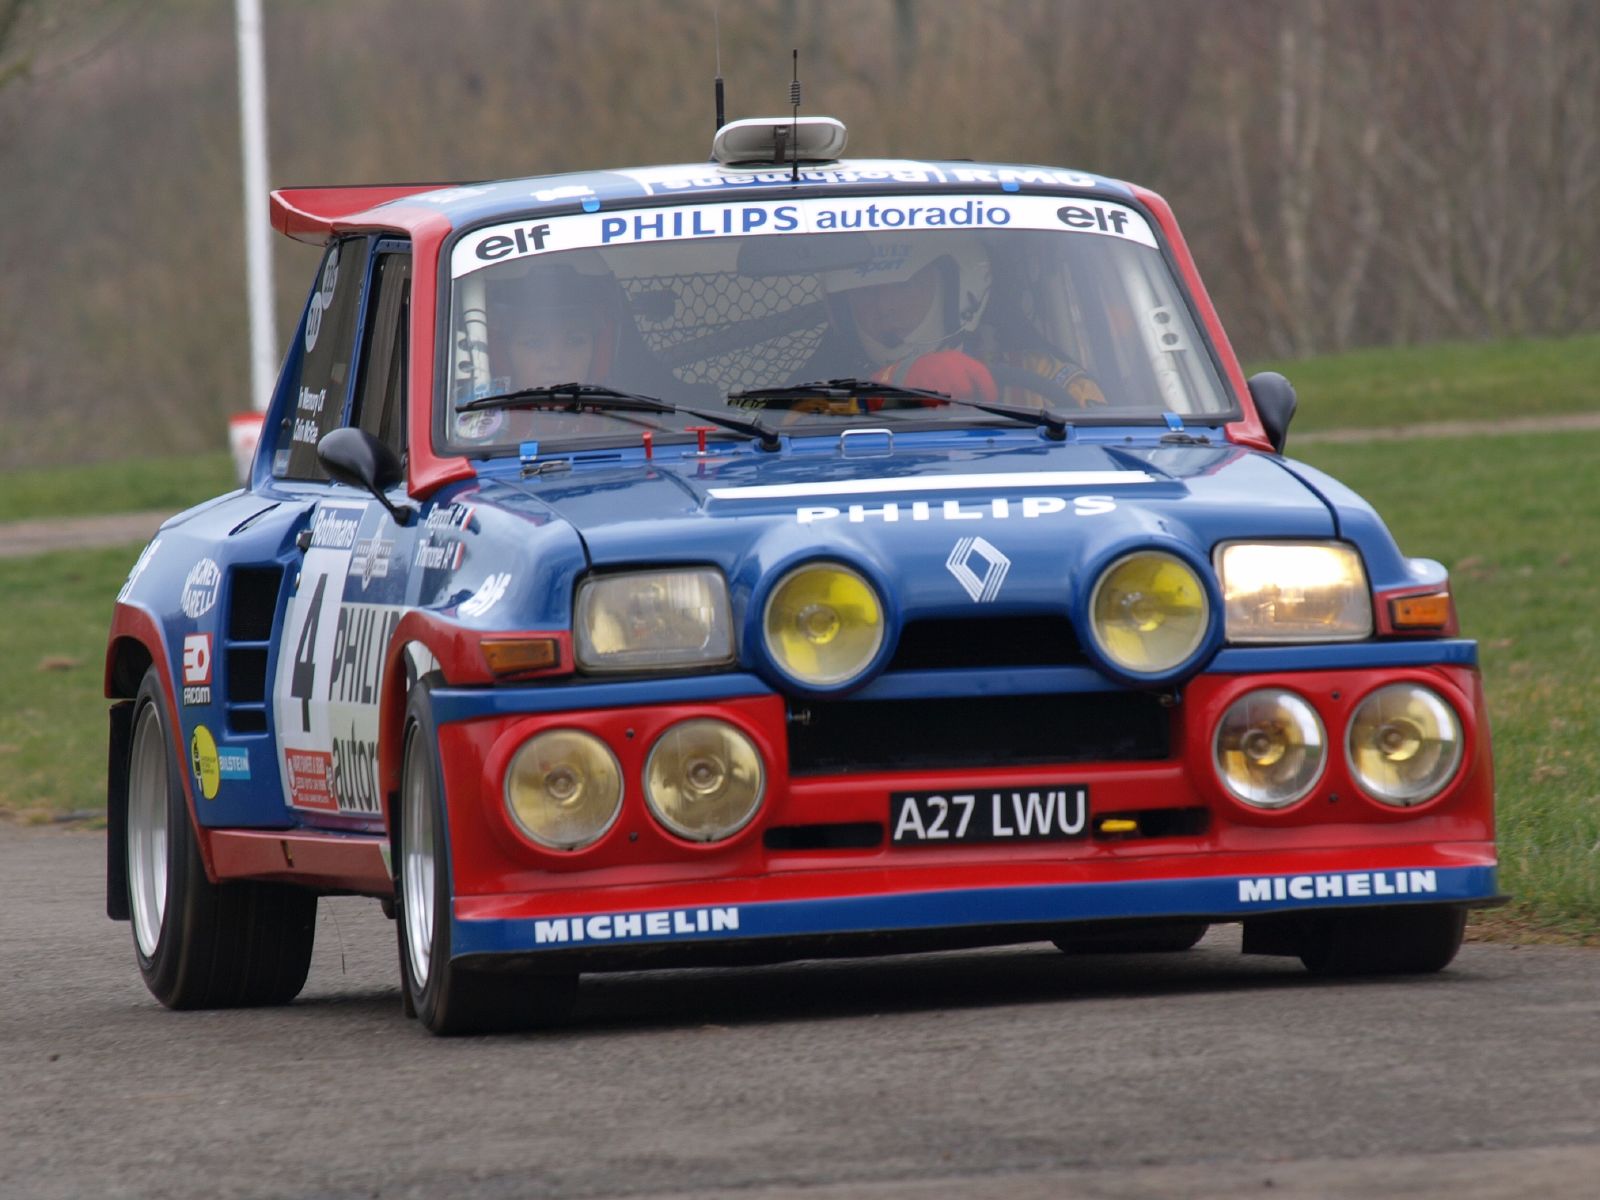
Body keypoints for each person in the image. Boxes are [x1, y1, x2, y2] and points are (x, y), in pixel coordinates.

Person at [820, 237, 1108, 411]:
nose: (884, 307)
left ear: (960, 290)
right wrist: (894, 383)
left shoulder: (1049, 379)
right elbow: (795, 428)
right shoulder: (819, 394)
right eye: (865, 292)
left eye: (903, 287)